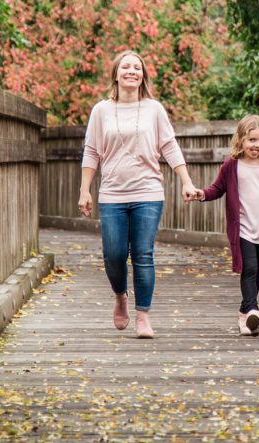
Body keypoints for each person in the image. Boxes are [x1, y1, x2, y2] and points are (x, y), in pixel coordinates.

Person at [78, 50, 202, 339]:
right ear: (116, 74)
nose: (131, 71)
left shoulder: (154, 109)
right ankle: (120, 295)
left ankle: (143, 315)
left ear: (143, 75)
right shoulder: (101, 111)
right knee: (114, 255)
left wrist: (186, 181)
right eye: (126, 67)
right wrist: (85, 190)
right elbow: (92, 152)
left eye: (137, 67)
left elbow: (169, 146)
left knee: (143, 254)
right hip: (111, 194)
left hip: (148, 191)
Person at [192, 115, 259, 336]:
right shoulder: (232, 165)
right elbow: (216, 189)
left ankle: (244, 314)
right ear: (241, 140)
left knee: (258, 271)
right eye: (251, 140)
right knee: (250, 267)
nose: (256, 145)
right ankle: (253, 309)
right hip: (242, 227)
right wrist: (200, 194)